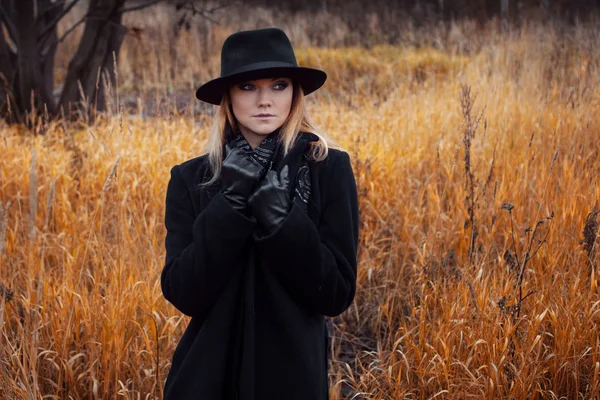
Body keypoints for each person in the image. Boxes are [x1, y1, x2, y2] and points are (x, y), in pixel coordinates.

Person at [160, 27, 360, 400]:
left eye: (279, 85)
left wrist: (284, 222)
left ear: (295, 93)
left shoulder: (327, 168)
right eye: (248, 87)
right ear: (228, 96)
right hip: (205, 381)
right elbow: (184, 293)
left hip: (292, 382)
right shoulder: (191, 178)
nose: (264, 100)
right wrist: (230, 204)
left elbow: (335, 294)